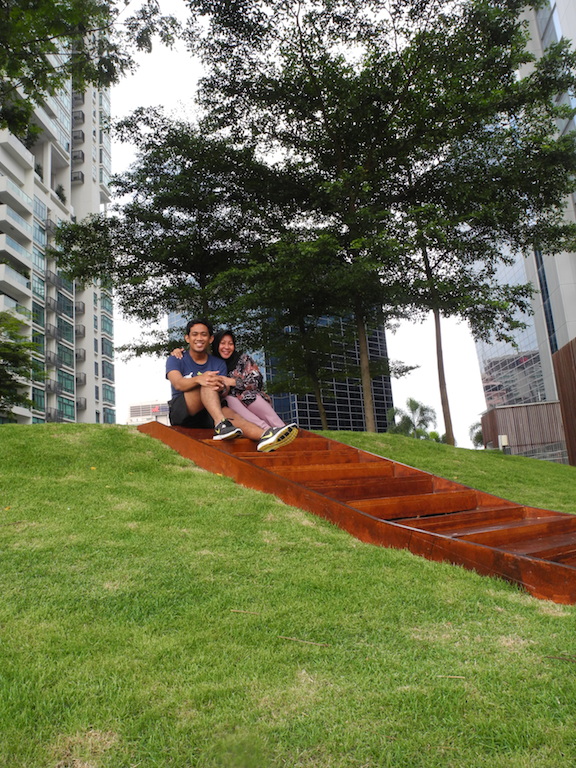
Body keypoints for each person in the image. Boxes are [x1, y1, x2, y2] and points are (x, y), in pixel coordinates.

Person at [166, 319, 295, 452]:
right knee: (209, 382)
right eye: (195, 334)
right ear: (187, 338)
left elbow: (225, 390)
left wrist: (222, 387)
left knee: (232, 414)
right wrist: (200, 379)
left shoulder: (218, 363)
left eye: (203, 334)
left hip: (209, 412)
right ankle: (220, 424)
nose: (199, 338)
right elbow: (178, 383)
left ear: (210, 339)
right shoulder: (176, 358)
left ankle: (265, 435)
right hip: (182, 411)